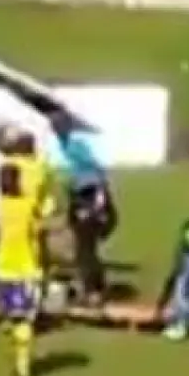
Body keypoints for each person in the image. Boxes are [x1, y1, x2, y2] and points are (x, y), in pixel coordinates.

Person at [50, 113, 116, 308]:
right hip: (80, 197)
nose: (55, 130)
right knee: (83, 249)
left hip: (88, 197)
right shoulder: (66, 145)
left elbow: (95, 172)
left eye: (58, 127)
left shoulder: (75, 146)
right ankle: (93, 289)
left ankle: (93, 291)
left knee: (85, 249)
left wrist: (97, 204)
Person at [0, 162, 47, 376]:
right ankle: (22, 368)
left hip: (3, 268)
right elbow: (38, 234)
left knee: (11, 319)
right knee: (24, 319)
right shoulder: (28, 205)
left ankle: (17, 359)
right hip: (26, 268)